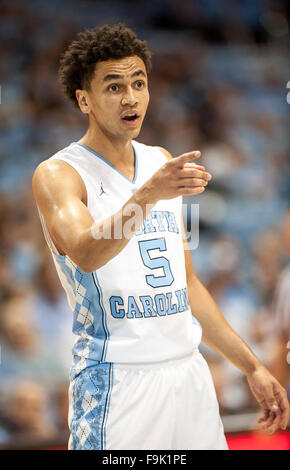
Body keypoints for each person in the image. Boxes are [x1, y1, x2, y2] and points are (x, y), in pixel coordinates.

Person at [32, 24, 289, 450]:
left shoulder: (162, 162)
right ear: (84, 99)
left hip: (188, 375)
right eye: (114, 87)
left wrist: (252, 366)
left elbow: (186, 285)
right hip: (118, 381)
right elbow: (85, 253)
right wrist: (149, 193)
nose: (131, 97)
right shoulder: (59, 174)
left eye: (139, 83)